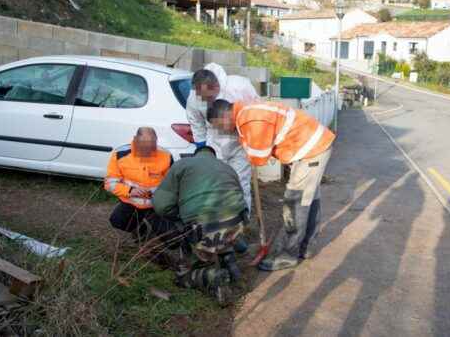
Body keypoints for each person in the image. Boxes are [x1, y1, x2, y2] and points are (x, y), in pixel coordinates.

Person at [208, 99, 335, 271]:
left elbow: (260, 157)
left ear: (224, 116)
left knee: (295, 202)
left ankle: (289, 255)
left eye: (218, 125)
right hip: (312, 145)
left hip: (310, 150)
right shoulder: (245, 110)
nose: (221, 130)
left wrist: (250, 153)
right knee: (309, 199)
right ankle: (307, 247)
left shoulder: (249, 118)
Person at [149, 145, 248, 304]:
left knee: (183, 277)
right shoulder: (227, 168)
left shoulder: (182, 165)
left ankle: (212, 276)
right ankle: (228, 260)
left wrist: (180, 216)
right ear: (213, 156)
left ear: (195, 155)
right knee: (225, 230)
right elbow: (242, 202)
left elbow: (161, 205)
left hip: (205, 225)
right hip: (236, 223)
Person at [186, 63, 258, 214]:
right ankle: (221, 222)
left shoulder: (239, 86)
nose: (207, 101)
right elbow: (197, 124)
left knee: (239, 183)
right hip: (215, 143)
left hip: (240, 141)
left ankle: (241, 222)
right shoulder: (194, 98)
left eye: (210, 97)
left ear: (216, 86)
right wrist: (202, 151)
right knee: (216, 185)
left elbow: (257, 111)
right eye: (203, 97)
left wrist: (255, 142)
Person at [106, 127, 174, 241]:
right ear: (135, 139)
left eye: (151, 145)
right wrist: (130, 191)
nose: (148, 149)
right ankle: (139, 230)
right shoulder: (120, 155)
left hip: (156, 205)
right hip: (131, 203)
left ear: (156, 141)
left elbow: (173, 184)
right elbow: (110, 183)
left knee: (172, 238)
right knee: (117, 221)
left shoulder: (166, 156)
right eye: (144, 145)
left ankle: (158, 233)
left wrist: (159, 196)